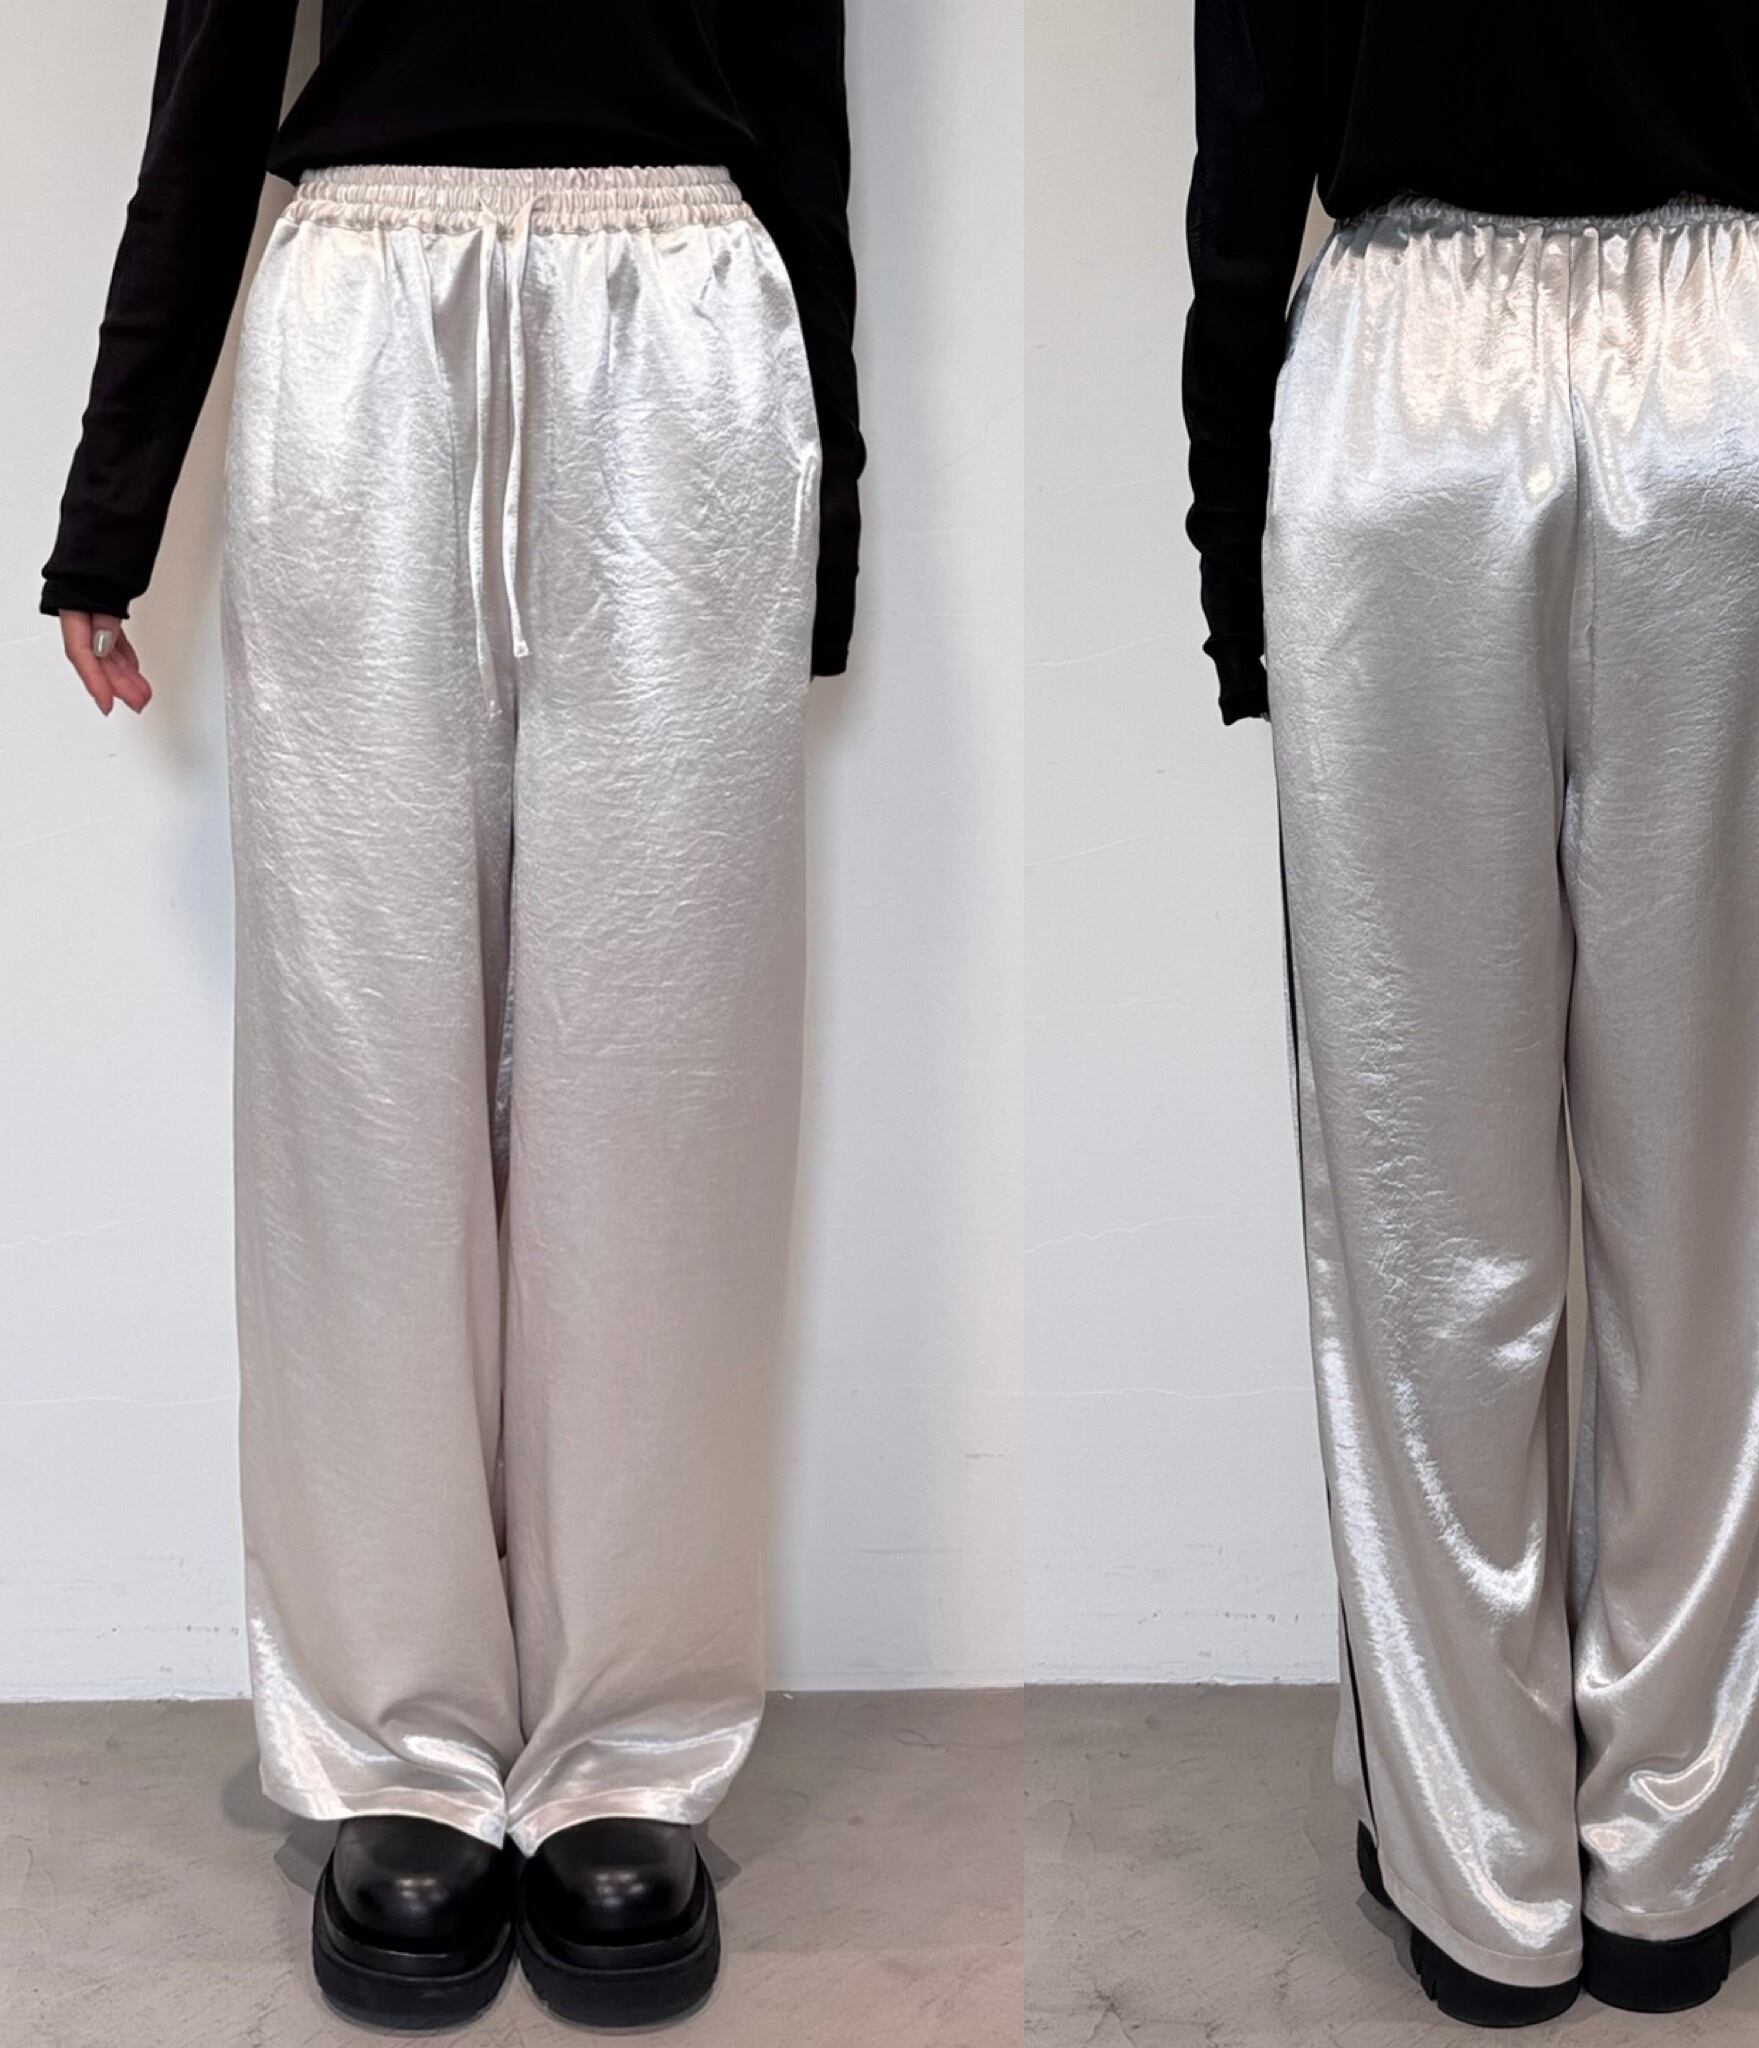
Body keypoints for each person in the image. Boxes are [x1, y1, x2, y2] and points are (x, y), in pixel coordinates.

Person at [44, 0, 861, 2030]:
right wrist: (113, 496)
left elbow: (799, 78)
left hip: (689, 309)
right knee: (363, 1078)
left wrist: (826, 498)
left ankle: (626, 1740)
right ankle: (396, 1740)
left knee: (660, 1085)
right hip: (363, 318)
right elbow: (213, 73)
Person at [1184, 0, 1759, 2027]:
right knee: (1720, 1191)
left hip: (1405, 401)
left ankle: (1475, 1871)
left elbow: (1250, 128)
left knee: (1424, 1194)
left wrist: (1233, 546)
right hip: (1731, 402)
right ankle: (1675, 1862)